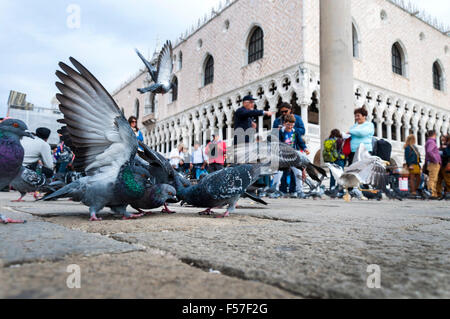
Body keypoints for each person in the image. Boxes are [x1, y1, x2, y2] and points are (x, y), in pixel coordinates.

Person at [278, 114, 309, 197]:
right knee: (278, 173)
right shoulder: (281, 132)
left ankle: (300, 191)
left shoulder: (295, 131)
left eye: (292, 125)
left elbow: (300, 141)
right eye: (288, 124)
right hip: (283, 155)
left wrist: (305, 148)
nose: (290, 126)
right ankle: (276, 190)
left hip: (293, 155)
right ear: (284, 123)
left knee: (298, 172)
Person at [425, 130, 441, 198]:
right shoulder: (431, 142)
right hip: (433, 163)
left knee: (434, 178)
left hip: (432, 162)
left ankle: (433, 193)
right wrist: (435, 159)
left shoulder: (430, 141)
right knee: (433, 178)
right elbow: (429, 151)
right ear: (434, 134)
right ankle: (431, 193)